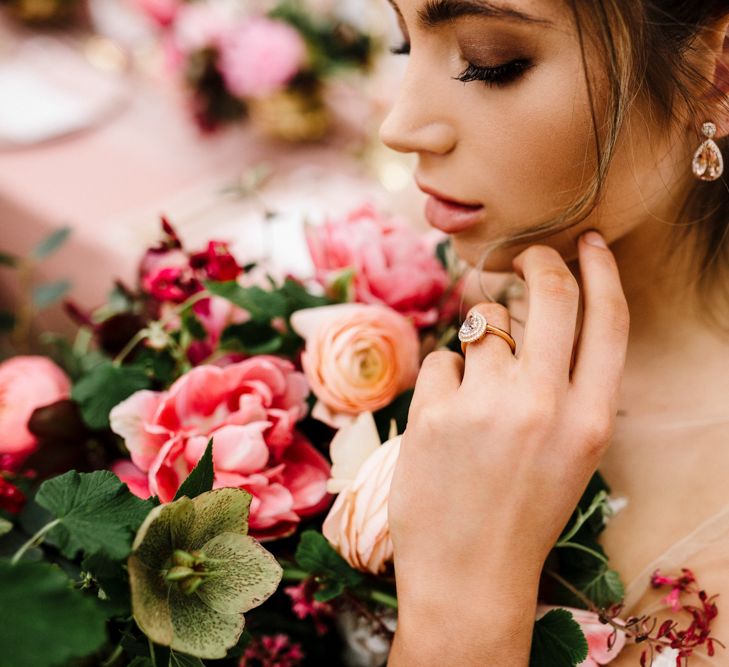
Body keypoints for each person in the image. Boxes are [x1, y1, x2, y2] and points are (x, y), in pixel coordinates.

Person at [376, 0, 729, 664]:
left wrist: (460, 609)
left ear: (718, 72)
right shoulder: (395, 284)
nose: (398, 125)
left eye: (489, 64)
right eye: (401, 44)